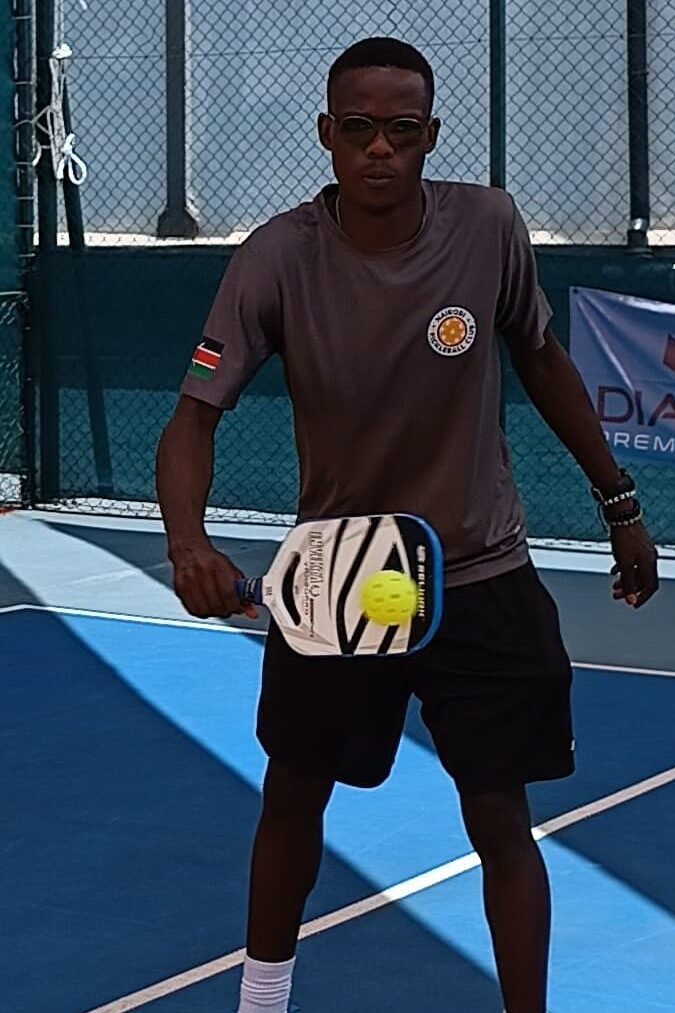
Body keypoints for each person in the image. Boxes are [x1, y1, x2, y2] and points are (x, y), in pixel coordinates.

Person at [156, 37, 659, 1013]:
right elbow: (192, 416)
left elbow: (545, 361)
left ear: (429, 137)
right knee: (295, 795)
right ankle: (262, 1000)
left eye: (399, 130)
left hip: (479, 570)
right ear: (326, 136)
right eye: (357, 128)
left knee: (501, 817)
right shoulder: (276, 258)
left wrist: (620, 501)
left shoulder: (489, 227)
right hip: (338, 580)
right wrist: (188, 541)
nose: (377, 148)